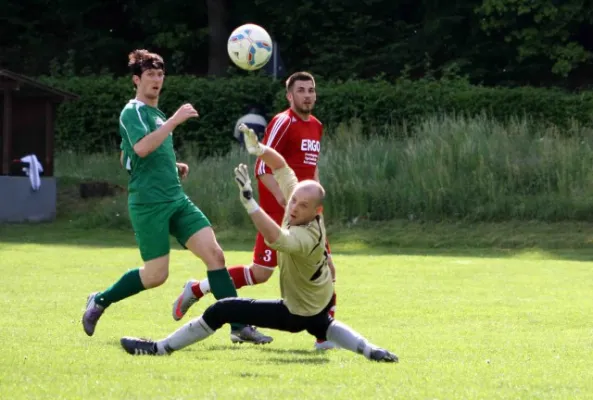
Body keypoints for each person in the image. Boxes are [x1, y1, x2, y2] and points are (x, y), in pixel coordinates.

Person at [119, 125, 398, 363]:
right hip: (318, 305)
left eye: (302, 205)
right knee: (323, 324)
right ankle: (371, 350)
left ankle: (158, 349)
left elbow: (278, 238)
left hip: (295, 311)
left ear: (316, 212)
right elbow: (282, 167)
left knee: (222, 309)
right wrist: (260, 149)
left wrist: (250, 203)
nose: (293, 207)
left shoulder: (307, 235)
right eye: (293, 201)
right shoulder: (299, 203)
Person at [81, 49, 272, 345]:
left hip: (176, 199)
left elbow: (128, 157)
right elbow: (142, 148)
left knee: (215, 255)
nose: (157, 80)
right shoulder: (133, 111)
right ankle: (100, 300)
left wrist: (172, 166)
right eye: (150, 75)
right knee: (157, 275)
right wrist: (174, 120)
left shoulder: (155, 115)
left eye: (160, 74)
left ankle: (239, 324)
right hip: (148, 204)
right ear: (136, 80)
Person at [172, 72, 339, 350]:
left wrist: (315, 199)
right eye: (301, 90)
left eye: (311, 90)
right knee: (285, 271)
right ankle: (324, 337)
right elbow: (263, 167)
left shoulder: (317, 126)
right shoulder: (283, 122)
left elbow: (312, 169)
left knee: (275, 272)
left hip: (305, 214)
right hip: (280, 213)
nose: (308, 95)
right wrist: (286, 203)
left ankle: (199, 288)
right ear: (290, 96)